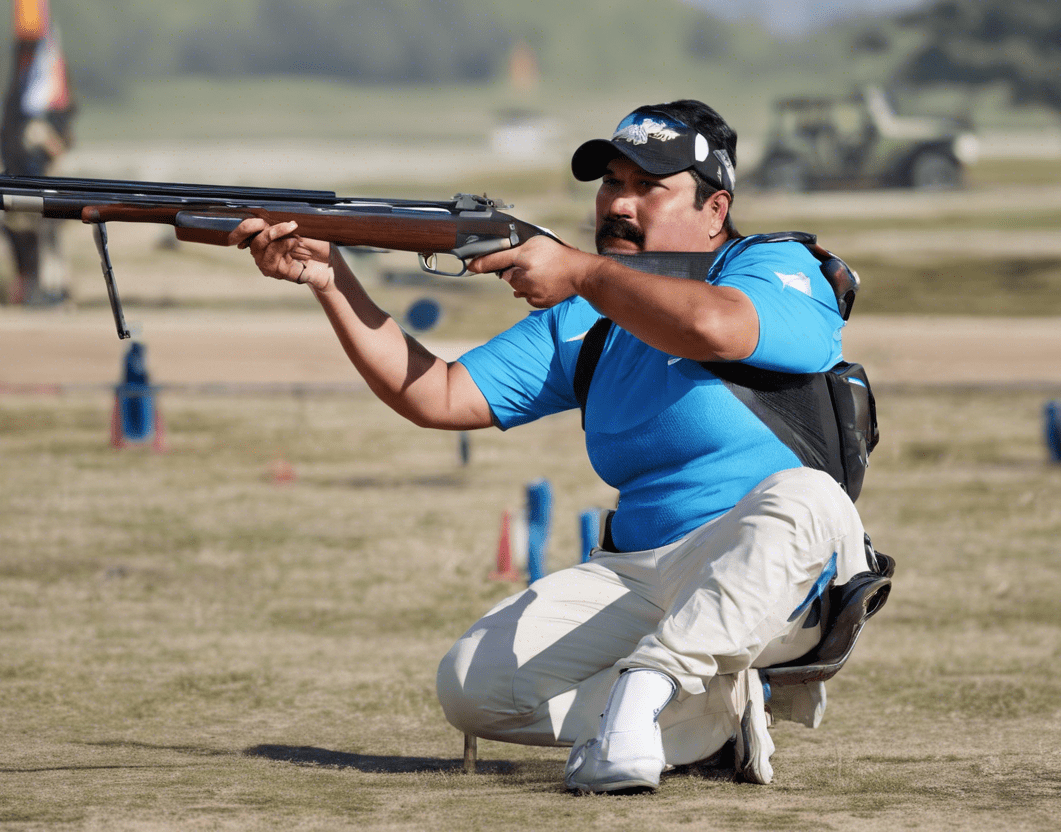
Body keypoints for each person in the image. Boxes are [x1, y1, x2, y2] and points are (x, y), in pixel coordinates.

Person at [233, 100, 871, 792]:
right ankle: (705, 723)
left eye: (647, 186)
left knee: (804, 498)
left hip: (782, 575)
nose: (619, 204)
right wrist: (332, 280)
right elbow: (437, 395)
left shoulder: (779, 266)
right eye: (610, 183)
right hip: (642, 569)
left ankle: (643, 700)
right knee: (474, 686)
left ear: (715, 210)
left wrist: (581, 273)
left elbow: (720, 329)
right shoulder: (586, 318)